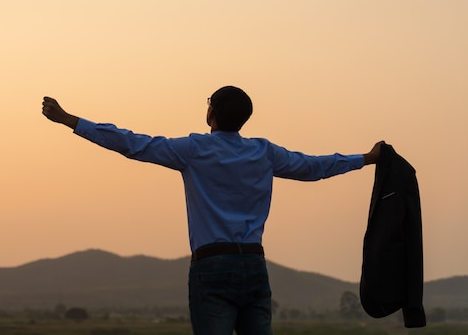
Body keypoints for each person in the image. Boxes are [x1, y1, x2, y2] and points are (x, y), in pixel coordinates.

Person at [41, 85, 383, 335]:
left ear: (211, 114)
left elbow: (133, 143)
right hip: (254, 264)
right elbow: (314, 167)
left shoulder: (193, 150)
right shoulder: (265, 153)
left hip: (212, 266)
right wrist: (366, 159)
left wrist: (70, 120)